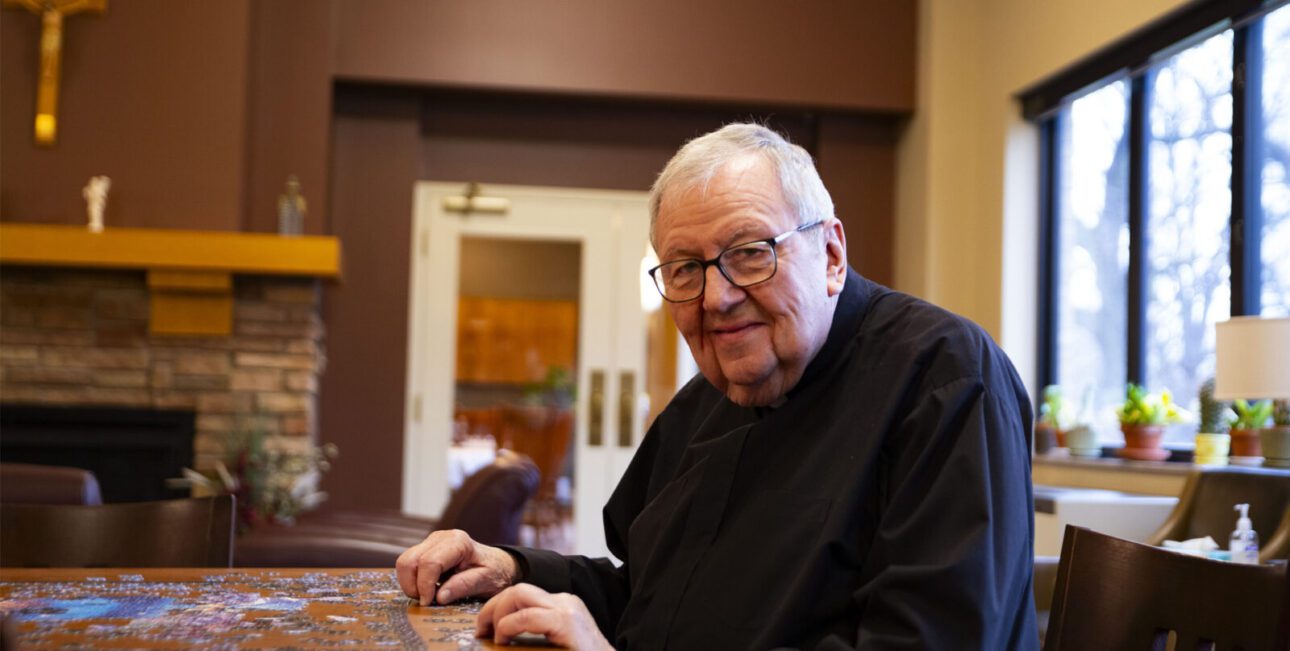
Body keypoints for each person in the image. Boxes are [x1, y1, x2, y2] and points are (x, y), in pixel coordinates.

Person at [397, 123, 1038, 650]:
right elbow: (651, 599)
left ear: (832, 256)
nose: (717, 297)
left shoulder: (947, 378)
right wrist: (512, 567)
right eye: (684, 270)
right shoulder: (713, 395)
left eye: (751, 252)